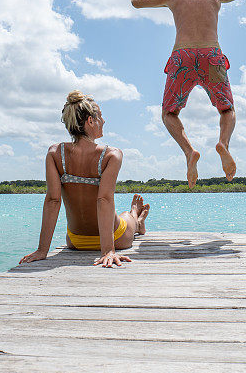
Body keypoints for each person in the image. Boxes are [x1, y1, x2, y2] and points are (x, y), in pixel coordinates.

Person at [131, 0, 244, 188]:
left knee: (169, 113)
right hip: (211, 55)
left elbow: (138, 3)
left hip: (182, 57)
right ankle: (223, 144)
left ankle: (189, 152)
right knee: (227, 109)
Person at [19, 90, 150, 268]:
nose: (104, 121)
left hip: (76, 241)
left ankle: (136, 217)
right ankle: (137, 218)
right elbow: (104, 199)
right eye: (101, 116)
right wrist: (108, 251)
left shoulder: (55, 154)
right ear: (90, 121)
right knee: (127, 217)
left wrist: (42, 250)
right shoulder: (111, 155)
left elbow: (52, 200)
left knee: (123, 216)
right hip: (116, 238)